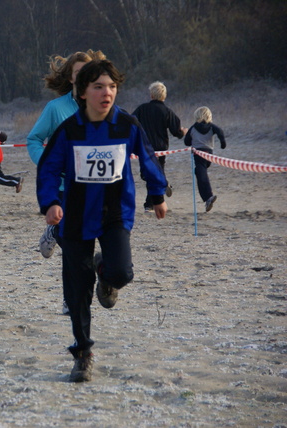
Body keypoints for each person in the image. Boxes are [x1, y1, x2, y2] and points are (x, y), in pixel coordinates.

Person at [36, 59, 168, 382]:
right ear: (82, 93)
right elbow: (48, 168)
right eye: (98, 87)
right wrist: (51, 202)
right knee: (77, 291)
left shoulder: (127, 125)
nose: (106, 93)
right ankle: (82, 353)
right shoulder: (69, 130)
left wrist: (158, 192)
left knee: (122, 272)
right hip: (76, 217)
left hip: (115, 214)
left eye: (111, 86)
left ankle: (105, 272)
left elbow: (148, 158)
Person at [26, 49, 105, 315]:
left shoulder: (103, 105)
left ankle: (53, 234)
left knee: (87, 242)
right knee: (73, 246)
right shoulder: (56, 108)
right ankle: (70, 299)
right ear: (71, 79)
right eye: (78, 74)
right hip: (62, 187)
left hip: (94, 186)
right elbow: (34, 139)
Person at [132, 81, 187, 211]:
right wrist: (183, 132)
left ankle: (149, 204)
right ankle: (163, 183)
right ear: (164, 96)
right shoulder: (167, 111)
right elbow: (176, 131)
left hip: (145, 147)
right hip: (161, 148)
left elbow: (131, 122)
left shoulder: (142, 109)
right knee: (152, 174)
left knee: (147, 174)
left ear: (151, 95)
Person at [184, 106, 226, 212]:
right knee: (199, 172)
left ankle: (208, 197)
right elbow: (220, 131)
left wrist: (193, 140)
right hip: (209, 155)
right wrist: (222, 143)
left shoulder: (193, 128)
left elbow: (186, 142)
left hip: (198, 154)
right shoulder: (212, 127)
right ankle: (207, 198)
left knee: (200, 173)